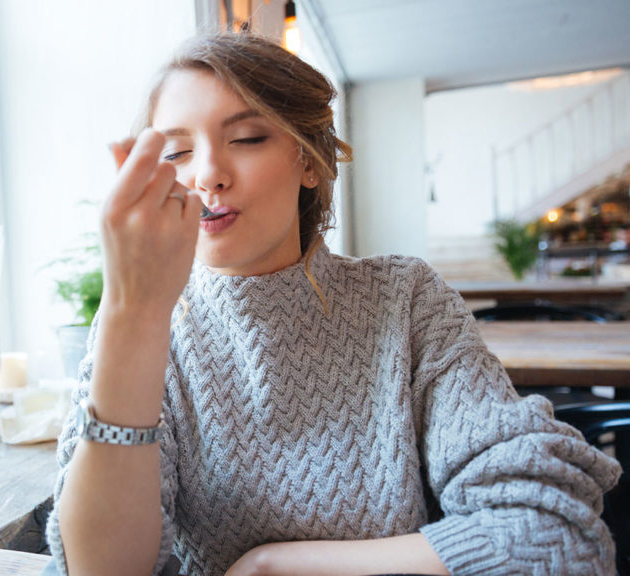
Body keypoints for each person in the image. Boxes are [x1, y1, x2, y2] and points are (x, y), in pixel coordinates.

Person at [45, 32, 621, 576]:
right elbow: (100, 569)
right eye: (176, 152)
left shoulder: (405, 302)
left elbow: (556, 537)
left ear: (308, 160)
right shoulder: (141, 326)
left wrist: (275, 565)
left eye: (247, 139)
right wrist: (133, 315)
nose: (208, 175)